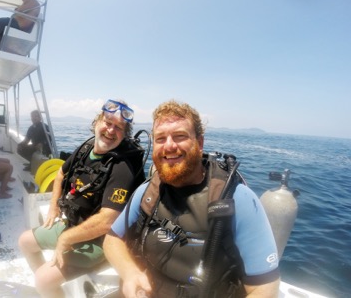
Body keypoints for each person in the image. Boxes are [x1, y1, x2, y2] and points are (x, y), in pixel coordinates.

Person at [103, 100, 281, 298]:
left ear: (200, 143)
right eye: (160, 139)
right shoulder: (149, 191)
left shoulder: (236, 199)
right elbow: (112, 240)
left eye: (180, 136)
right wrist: (130, 273)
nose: (169, 146)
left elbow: (265, 287)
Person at [18, 99, 145, 297]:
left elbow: (107, 221)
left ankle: (48, 284)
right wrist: (53, 207)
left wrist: (65, 239)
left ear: (124, 134)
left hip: (102, 241)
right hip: (74, 223)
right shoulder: (86, 148)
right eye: (108, 122)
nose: (111, 130)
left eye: (119, 127)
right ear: (97, 123)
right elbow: (60, 173)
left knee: (42, 280)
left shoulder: (122, 167)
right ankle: (52, 288)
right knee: (25, 241)